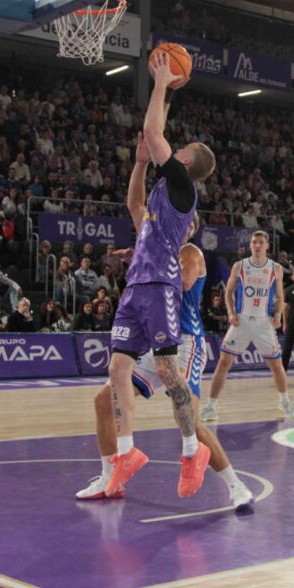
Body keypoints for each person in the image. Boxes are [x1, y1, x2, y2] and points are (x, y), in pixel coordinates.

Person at [77, 219, 254, 513]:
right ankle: (111, 479)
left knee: (189, 422)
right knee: (103, 401)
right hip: (157, 343)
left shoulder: (189, 253)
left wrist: (146, 261)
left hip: (186, 343)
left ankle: (236, 485)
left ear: (188, 227)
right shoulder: (157, 252)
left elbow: (181, 284)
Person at [105, 51, 217, 500]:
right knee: (116, 367)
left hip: (160, 286)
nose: (176, 146)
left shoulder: (182, 186)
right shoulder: (155, 202)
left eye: (181, 148)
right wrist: (136, 164)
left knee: (169, 370)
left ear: (186, 163)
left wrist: (160, 82)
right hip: (135, 286)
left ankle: (193, 450)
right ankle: (127, 453)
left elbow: (154, 132)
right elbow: (133, 206)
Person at [200, 231, 294, 422]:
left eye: (261, 242)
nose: (257, 245)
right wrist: (231, 313)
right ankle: (211, 406)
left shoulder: (276, 268)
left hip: (263, 323)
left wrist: (278, 314)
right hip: (241, 321)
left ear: (267, 246)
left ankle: (284, 401)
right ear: (250, 245)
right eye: (254, 242)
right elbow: (228, 293)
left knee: (276, 365)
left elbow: (279, 296)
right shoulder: (239, 266)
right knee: (223, 363)